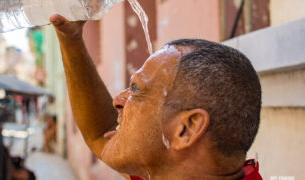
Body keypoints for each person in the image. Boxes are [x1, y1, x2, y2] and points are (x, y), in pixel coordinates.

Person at [49, 14, 262, 180]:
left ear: (186, 129)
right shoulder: (168, 169)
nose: (118, 100)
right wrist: (71, 38)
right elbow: (100, 134)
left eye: (137, 90)